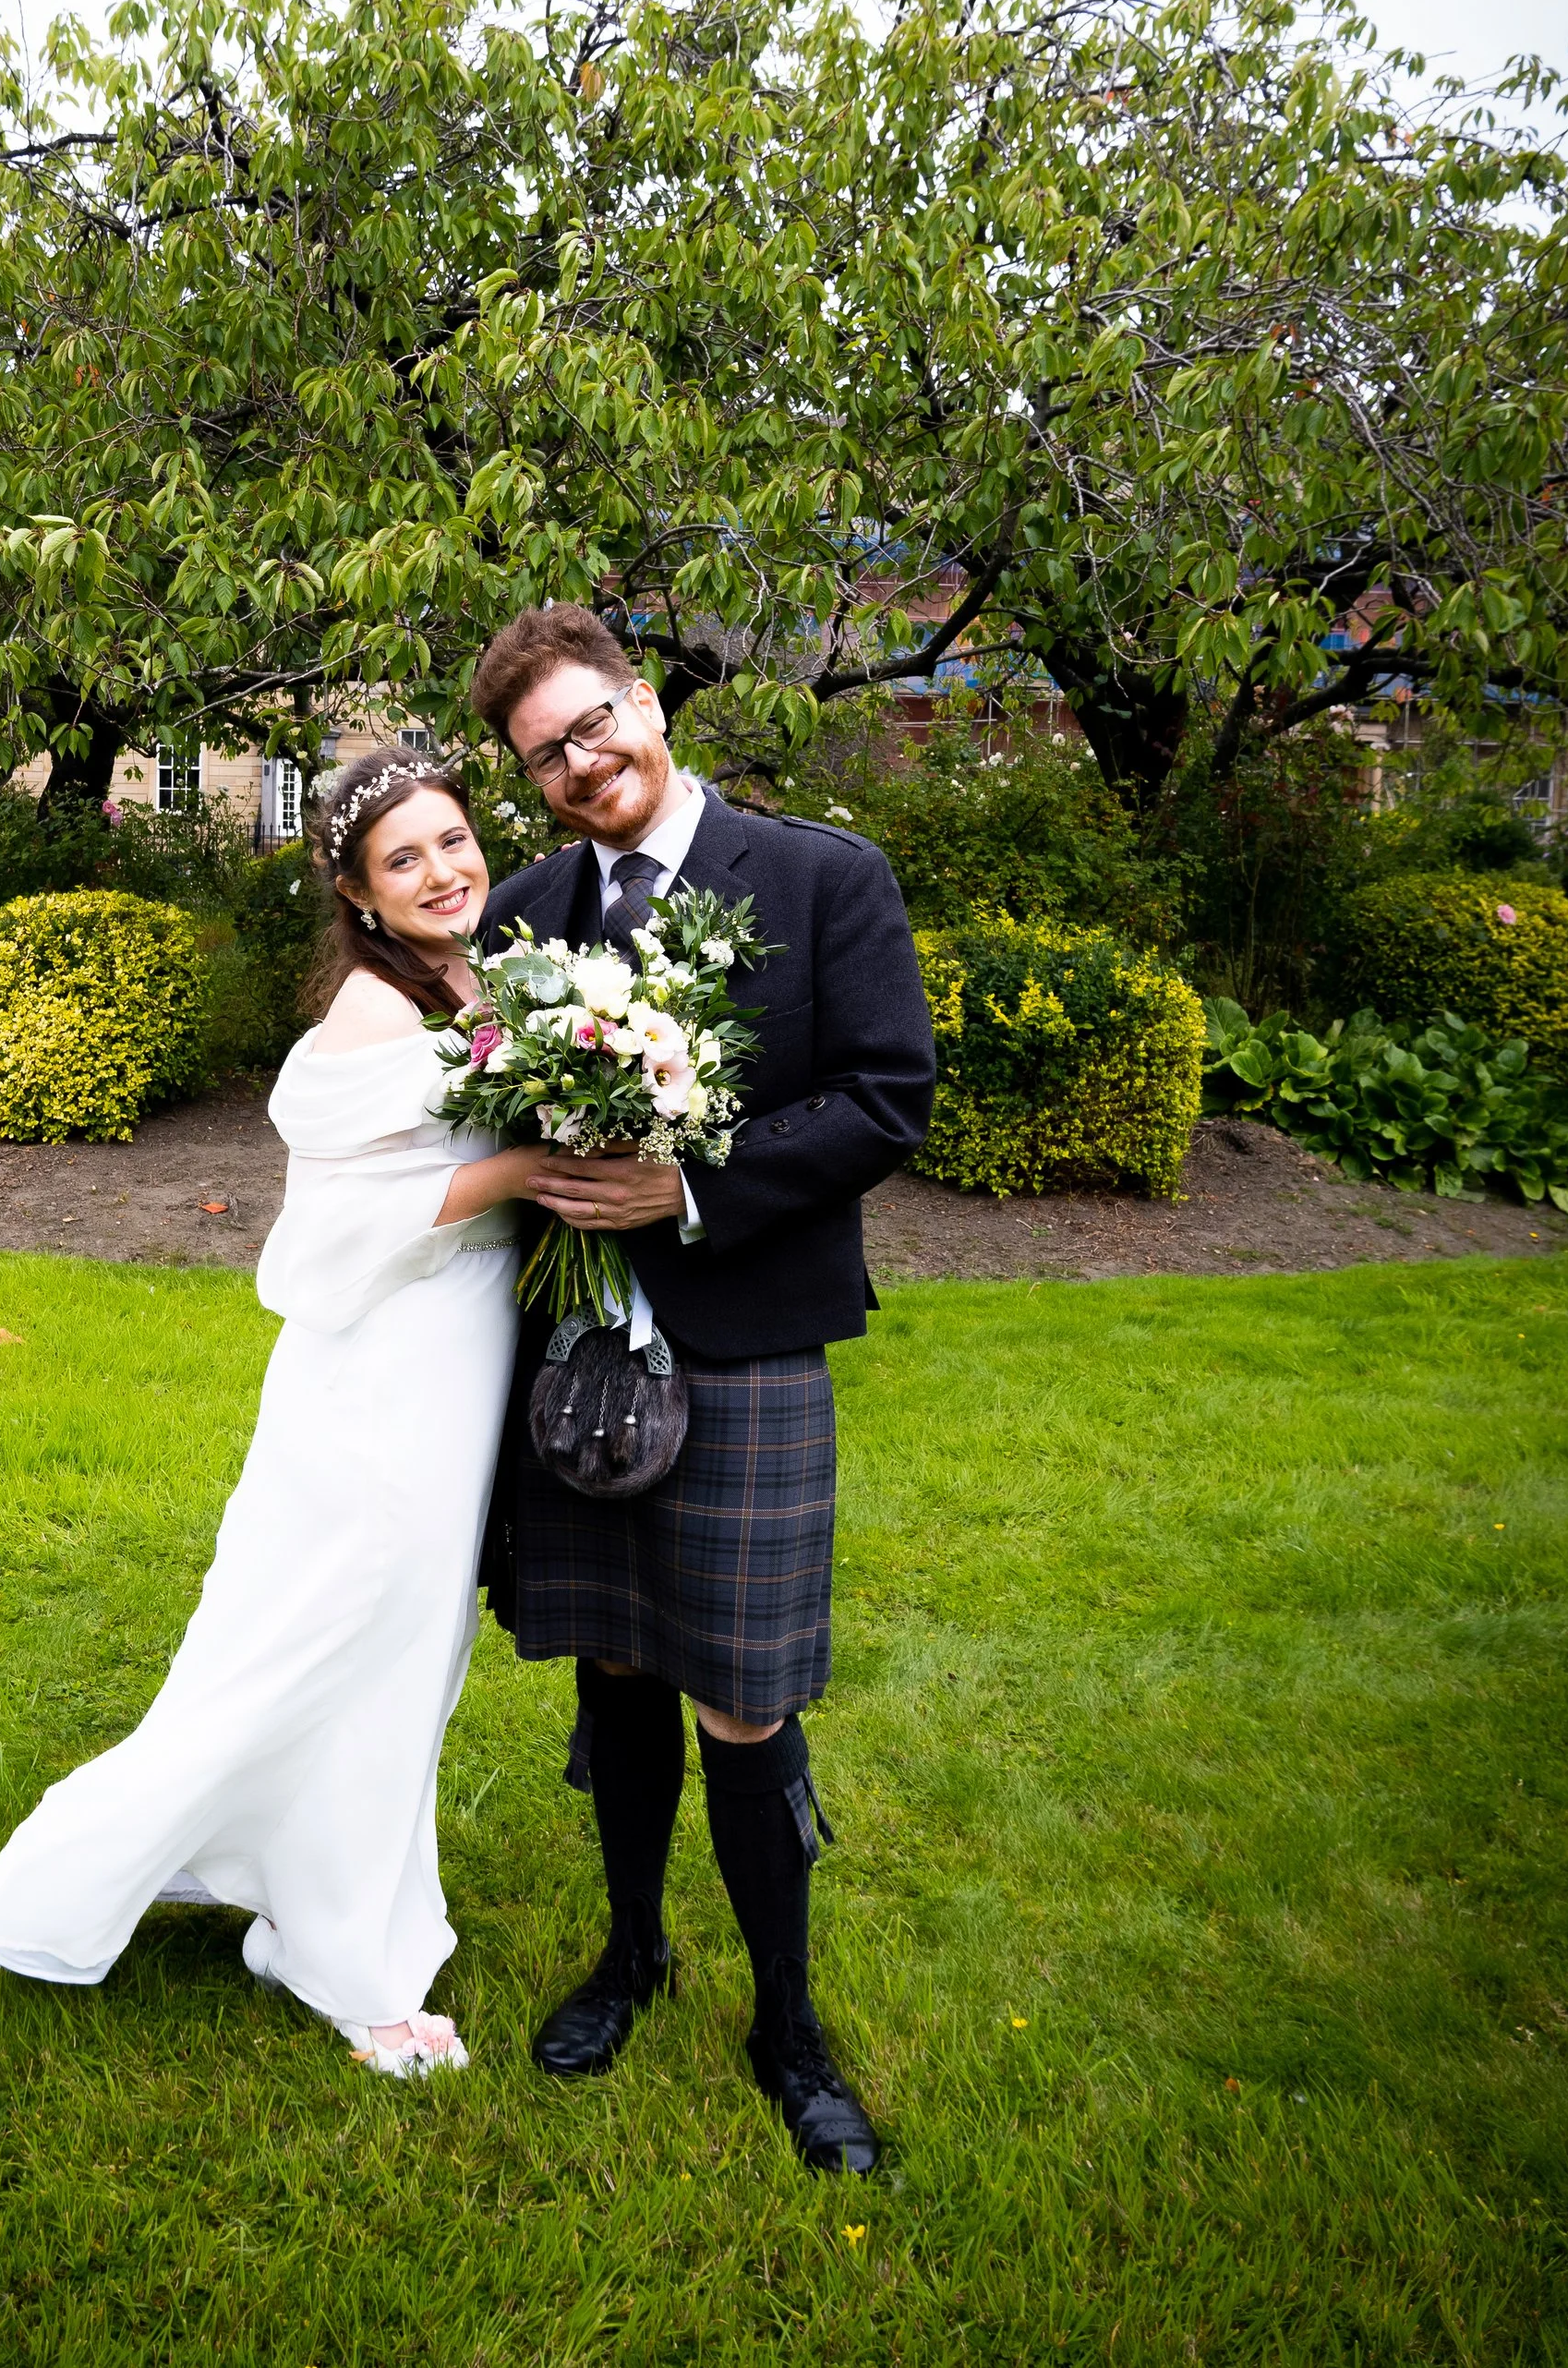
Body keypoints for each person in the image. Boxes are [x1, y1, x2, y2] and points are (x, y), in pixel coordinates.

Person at [0, 749, 548, 2075]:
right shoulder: (374, 1016)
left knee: (398, 1659)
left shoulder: (483, 978)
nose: (444, 871)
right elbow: (325, 1231)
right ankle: (342, 1965)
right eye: (405, 859)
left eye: (452, 840)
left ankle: (305, 1908)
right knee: (335, 1651)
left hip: (456, 1369)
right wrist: (526, 1165)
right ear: (357, 891)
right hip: (381, 1383)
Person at [470, 605, 935, 2174]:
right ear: (530, 779)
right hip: (579, 1355)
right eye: (548, 752)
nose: (582, 761)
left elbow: (887, 1098)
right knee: (613, 1668)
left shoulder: (820, 878)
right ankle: (631, 1956)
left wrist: (685, 1192)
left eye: (596, 724)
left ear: (649, 702)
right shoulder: (527, 914)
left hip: (745, 1346)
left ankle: (789, 2026)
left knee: (744, 1697)